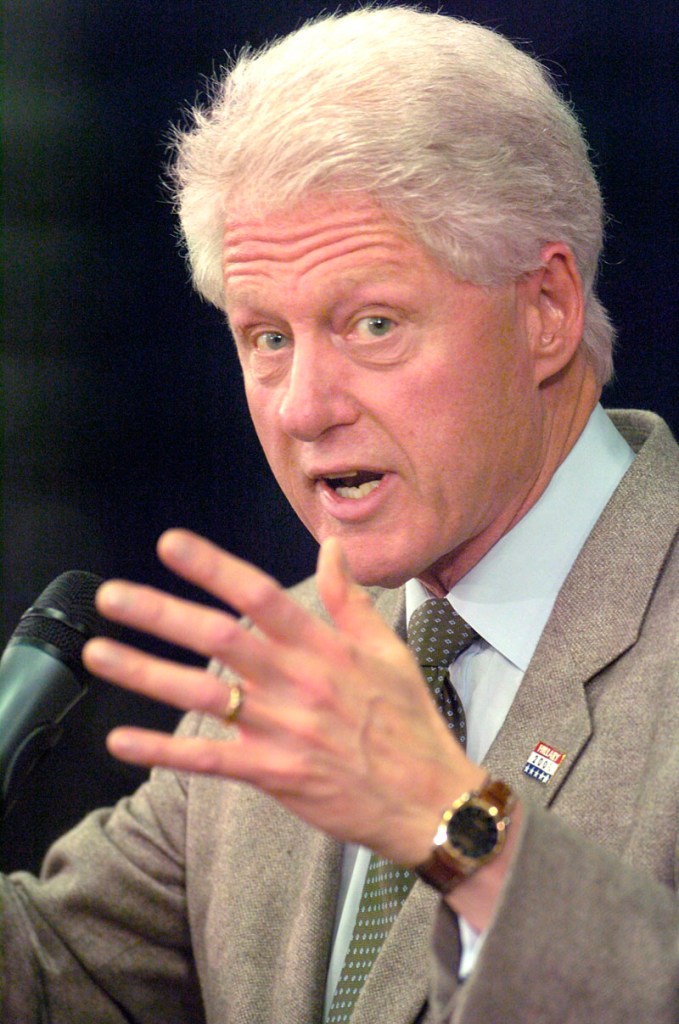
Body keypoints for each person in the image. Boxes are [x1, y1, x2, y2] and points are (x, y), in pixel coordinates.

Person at [2, 7, 678, 1022]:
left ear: (544, 310)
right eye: (265, 336)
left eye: (372, 324)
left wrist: (449, 821)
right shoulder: (286, 665)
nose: (303, 406)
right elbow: (56, 975)